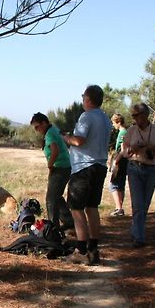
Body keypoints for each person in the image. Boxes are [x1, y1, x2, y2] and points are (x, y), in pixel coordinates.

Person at [62, 85, 112, 265]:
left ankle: (81, 250)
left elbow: (78, 140)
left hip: (84, 168)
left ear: (88, 99)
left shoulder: (86, 116)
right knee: (92, 208)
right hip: (99, 166)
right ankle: (93, 249)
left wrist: (66, 137)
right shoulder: (106, 119)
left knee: (76, 209)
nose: (82, 99)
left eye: (83, 97)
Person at [119, 103, 155, 248]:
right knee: (138, 204)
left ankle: (136, 231)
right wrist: (132, 149)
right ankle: (139, 238)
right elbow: (124, 152)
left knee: (144, 205)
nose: (134, 118)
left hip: (151, 169)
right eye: (132, 116)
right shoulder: (131, 131)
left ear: (145, 115)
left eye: (136, 115)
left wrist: (154, 148)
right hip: (134, 168)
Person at [30, 112, 74, 231]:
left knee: (51, 199)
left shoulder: (49, 133)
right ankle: (69, 221)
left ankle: (53, 229)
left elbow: (55, 150)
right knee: (57, 196)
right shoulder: (54, 130)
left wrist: (50, 165)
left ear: (44, 123)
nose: (36, 130)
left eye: (37, 126)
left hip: (59, 168)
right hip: (65, 166)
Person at [108, 113, 128, 216]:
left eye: (113, 123)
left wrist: (116, 161)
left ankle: (119, 208)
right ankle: (119, 207)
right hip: (124, 161)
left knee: (113, 185)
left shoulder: (122, 133)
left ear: (118, 122)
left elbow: (123, 149)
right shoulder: (124, 132)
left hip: (120, 161)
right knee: (120, 185)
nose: (113, 125)